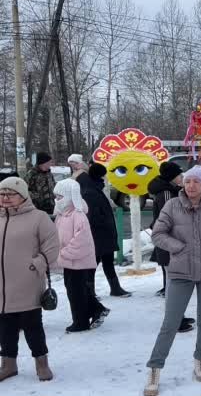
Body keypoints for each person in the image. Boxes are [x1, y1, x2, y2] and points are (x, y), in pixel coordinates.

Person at [144, 165, 201, 396]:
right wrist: (178, 248)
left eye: (195, 181)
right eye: (187, 181)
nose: (190, 185)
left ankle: (200, 360)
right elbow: (158, 234)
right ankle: (155, 367)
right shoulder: (172, 206)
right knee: (170, 322)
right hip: (180, 271)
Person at [0, 177, 59, 382]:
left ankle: (41, 364)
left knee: (32, 326)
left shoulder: (38, 217)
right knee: (5, 327)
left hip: (27, 282)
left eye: (10, 194)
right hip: (2, 287)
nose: (5, 198)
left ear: (23, 195)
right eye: (2, 193)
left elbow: (52, 245)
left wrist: (37, 264)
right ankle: (8, 364)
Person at [54, 179, 108, 333]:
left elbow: (81, 240)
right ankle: (97, 309)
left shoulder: (78, 215)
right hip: (68, 260)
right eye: (56, 197)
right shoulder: (62, 215)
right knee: (75, 289)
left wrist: (63, 253)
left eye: (60, 197)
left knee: (76, 291)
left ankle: (81, 321)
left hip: (77, 260)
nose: (57, 201)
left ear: (70, 197)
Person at [147, 162, 195, 333]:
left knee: (175, 282)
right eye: (179, 175)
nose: (183, 178)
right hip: (170, 245)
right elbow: (169, 221)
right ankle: (174, 321)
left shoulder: (171, 191)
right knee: (173, 284)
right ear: (171, 177)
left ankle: (178, 316)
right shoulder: (167, 194)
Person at [82, 163, 131, 298]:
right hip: (98, 234)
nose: (105, 178)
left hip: (104, 234)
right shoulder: (91, 191)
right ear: (99, 175)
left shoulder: (95, 188)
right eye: (103, 175)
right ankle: (89, 291)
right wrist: (105, 222)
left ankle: (115, 288)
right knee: (94, 263)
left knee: (108, 261)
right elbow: (93, 216)